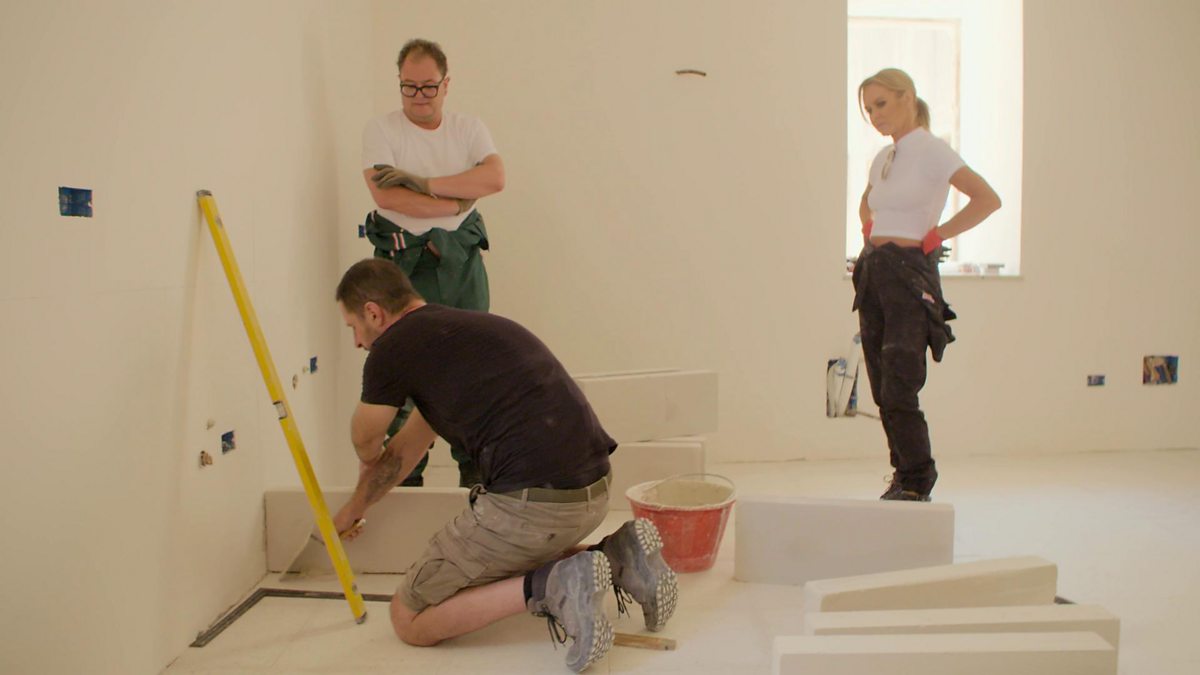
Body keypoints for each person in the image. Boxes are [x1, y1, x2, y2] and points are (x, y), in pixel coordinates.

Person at [330, 259, 678, 673]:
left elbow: (366, 438)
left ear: (373, 313)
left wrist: (364, 462)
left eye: (353, 327)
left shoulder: (391, 347)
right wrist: (355, 509)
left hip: (532, 508)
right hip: (593, 493)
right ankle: (618, 554)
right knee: (501, 559)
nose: (357, 342)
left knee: (409, 618)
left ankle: (550, 586)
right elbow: (404, 454)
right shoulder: (464, 335)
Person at [360, 38, 505, 488]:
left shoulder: (468, 128)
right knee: (403, 374)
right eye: (409, 87)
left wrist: (423, 183)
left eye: (428, 87)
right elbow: (387, 197)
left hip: (461, 263)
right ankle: (405, 486)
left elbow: (494, 178)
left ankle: (476, 483)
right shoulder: (382, 130)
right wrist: (454, 202)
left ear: (446, 83)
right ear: (399, 83)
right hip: (403, 267)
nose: (418, 97)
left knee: (471, 369)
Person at [853, 68, 1001, 502]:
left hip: (909, 276)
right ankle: (902, 476)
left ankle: (918, 479)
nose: (875, 115)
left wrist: (939, 235)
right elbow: (867, 201)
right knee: (882, 386)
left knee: (901, 383)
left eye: (881, 104)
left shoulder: (933, 151)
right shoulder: (884, 157)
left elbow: (987, 199)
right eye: (869, 109)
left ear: (908, 97)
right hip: (874, 273)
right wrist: (868, 228)